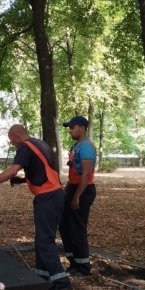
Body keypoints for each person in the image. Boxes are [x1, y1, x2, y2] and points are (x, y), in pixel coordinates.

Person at [0, 124, 71, 290]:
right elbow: (41, 169)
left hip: (47, 197)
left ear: (17, 135)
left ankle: (61, 281)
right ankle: (41, 275)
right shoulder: (39, 144)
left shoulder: (25, 147)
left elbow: (12, 170)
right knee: (41, 238)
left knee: (45, 240)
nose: (12, 143)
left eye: (11, 139)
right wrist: (23, 180)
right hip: (54, 194)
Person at [59, 116, 97, 276]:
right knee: (64, 226)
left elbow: (86, 174)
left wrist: (77, 197)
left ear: (82, 128)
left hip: (83, 190)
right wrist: (66, 191)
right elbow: (74, 175)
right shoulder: (76, 146)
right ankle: (73, 262)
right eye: (69, 128)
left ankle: (83, 266)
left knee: (77, 228)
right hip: (73, 188)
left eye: (72, 127)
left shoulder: (86, 147)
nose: (70, 130)